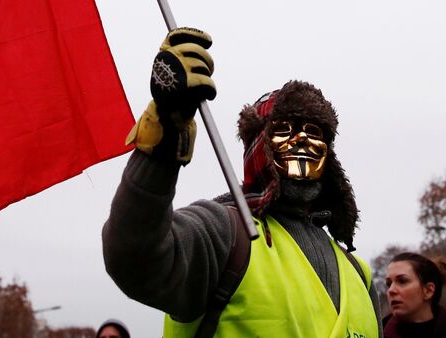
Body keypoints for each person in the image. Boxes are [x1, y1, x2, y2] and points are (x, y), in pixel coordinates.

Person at [102, 27, 382, 337]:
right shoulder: (224, 233)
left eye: (316, 133)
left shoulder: (360, 273)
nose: (302, 140)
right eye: (286, 128)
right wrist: (166, 131)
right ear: (259, 144)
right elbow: (134, 259)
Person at [383, 252, 446, 338]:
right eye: (389, 284)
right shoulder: (376, 333)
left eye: (402, 281)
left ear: (428, 291)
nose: (391, 290)